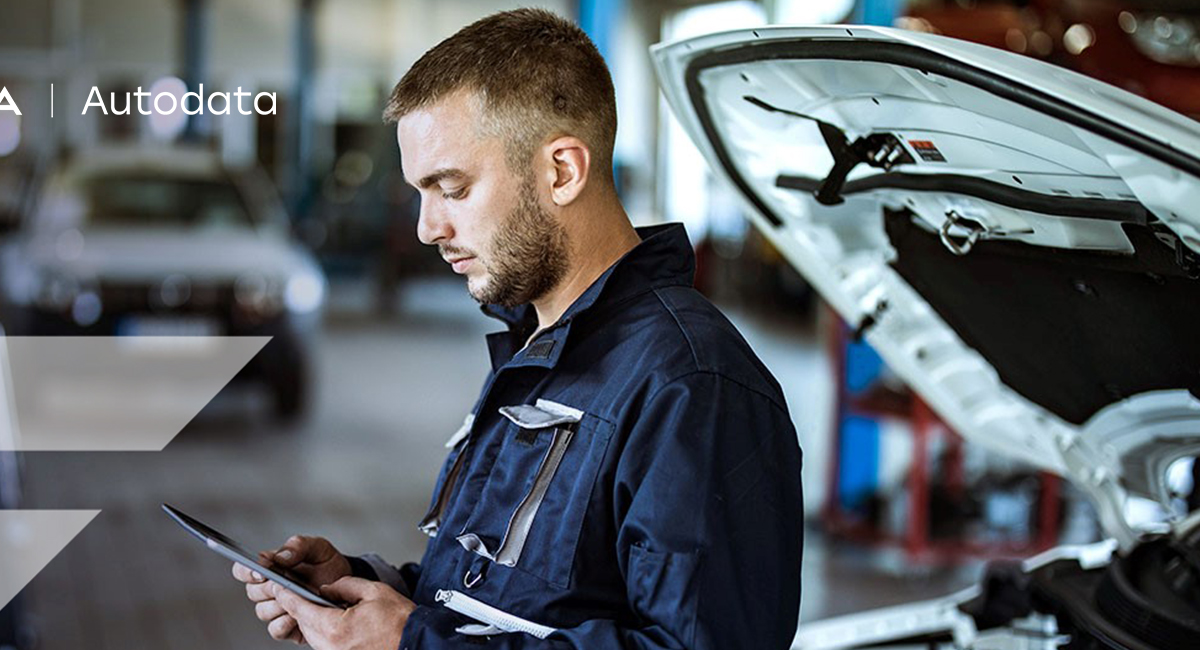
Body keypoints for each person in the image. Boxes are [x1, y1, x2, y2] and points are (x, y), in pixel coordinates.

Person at [231, 8, 803, 649]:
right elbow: (509, 599)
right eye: (420, 192)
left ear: (562, 170)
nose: (427, 228)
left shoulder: (692, 386)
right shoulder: (538, 351)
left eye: (451, 187)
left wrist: (413, 645)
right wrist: (370, 589)